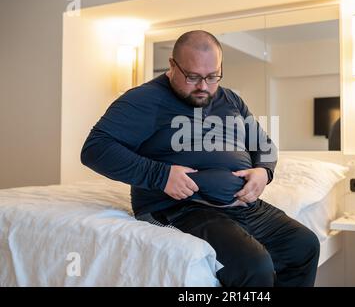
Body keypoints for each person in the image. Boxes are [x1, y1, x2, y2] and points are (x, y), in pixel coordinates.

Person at [81, 30, 320, 287]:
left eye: (212, 76)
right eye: (192, 77)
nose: (203, 86)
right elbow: (95, 148)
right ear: (173, 65)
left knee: (304, 246)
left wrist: (263, 171)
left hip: (242, 205)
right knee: (254, 265)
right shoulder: (144, 99)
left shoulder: (231, 100)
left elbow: (264, 145)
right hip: (178, 208)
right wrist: (160, 176)